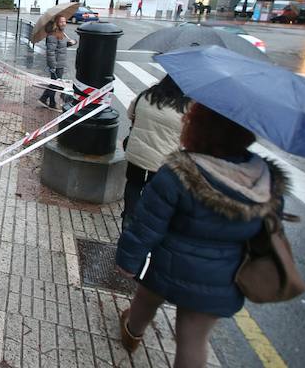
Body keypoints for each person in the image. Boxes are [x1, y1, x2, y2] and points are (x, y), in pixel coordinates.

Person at [115, 103, 289, 367]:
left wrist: (128, 261)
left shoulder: (177, 172)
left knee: (145, 300)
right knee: (193, 340)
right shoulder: (265, 180)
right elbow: (267, 230)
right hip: (222, 278)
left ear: (197, 127)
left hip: (168, 267)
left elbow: (146, 225)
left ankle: (132, 334)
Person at [121, 75, 190, 231]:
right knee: (154, 190)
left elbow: (130, 114)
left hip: (137, 150)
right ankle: (144, 222)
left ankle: (128, 218)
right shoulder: (186, 107)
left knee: (133, 183)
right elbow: (188, 136)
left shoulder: (146, 95)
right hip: (164, 159)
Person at [38, 16, 76, 109]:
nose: (64, 23)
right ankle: (47, 100)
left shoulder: (60, 33)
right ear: (56, 23)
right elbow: (50, 52)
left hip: (60, 63)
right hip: (56, 64)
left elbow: (60, 47)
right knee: (56, 85)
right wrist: (53, 66)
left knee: (55, 84)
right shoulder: (52, 35)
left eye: (64, 21)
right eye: (61, 22)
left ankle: (48, 101)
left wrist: (71, 43)